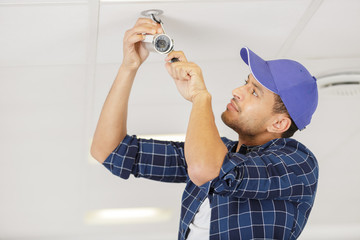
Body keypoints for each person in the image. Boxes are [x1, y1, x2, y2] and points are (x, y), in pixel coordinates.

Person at [91, 18, 319, 240]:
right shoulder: (217, 151)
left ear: (279, 124)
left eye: (254, 92)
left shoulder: (298, 163)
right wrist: (128, 66)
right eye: (246, 82)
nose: (238, 90)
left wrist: (200, 97)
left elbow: (207, 168)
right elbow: (109, 151)